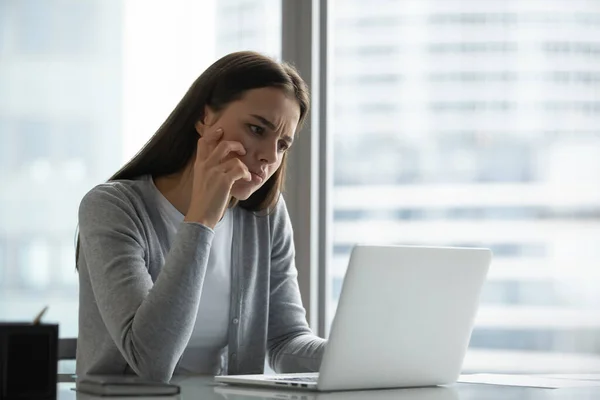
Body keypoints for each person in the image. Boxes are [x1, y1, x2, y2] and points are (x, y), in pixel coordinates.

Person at [75, 51, 326, 382]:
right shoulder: (112, 208)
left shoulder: (266, 216)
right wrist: (202, 219)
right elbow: (151, 361)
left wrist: (361, 354)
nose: (268, 156)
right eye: (256, 129)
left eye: (282, 145)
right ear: (205, 118)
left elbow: (285, 340)